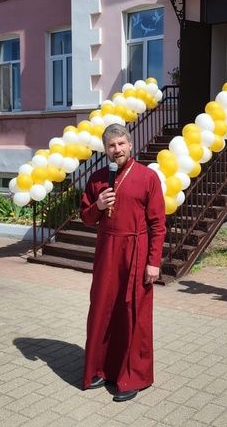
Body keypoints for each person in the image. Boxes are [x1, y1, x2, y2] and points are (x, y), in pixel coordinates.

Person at [79, 123, 166, 402]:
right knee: (102, 309)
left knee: (132, 313)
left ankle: (133, 376)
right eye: (111, 145)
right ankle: (101, 368)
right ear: (105, 149)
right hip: (107, 251)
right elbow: (86, 218)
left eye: (121, 144)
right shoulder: (97, 178)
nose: (116, 149)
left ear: (130, 144)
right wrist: (98, 206)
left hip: (136, 252)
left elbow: (158, 224)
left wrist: (153, 262)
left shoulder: (147, 177)